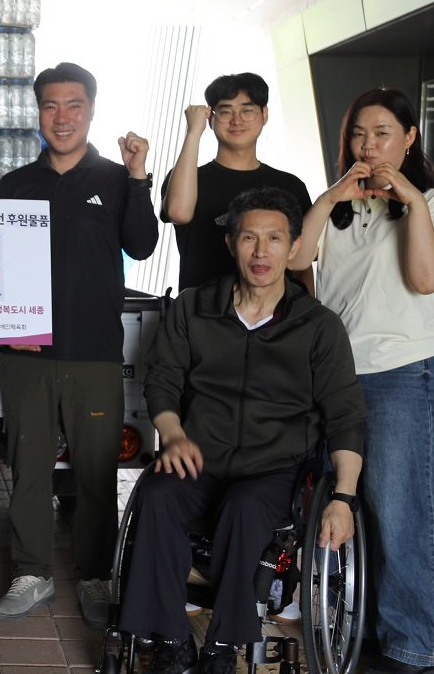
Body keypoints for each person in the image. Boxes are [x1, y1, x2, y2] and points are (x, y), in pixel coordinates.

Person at [126, 187, 365, 674]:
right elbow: (163, 379)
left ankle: (222, 646)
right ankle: (171, 639)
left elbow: (345, 416)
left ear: (294, 247)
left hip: (274, 470)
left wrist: (343, 497)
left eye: (274, 238)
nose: (261, 251)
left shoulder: (318, 327)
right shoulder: (193, 308)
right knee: (157, 494)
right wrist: (172, 432)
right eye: (249, 237)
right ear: (231, 244)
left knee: (245, 507)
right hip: (199, 457)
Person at [289, 88, 434, 674]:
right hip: (334, 374)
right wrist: (332, 195)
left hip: (399, 373)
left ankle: (414, 653)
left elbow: (425, 278)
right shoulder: (337, 207)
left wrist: (408, 196)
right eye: (359, 134)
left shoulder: (432, 202)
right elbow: (295, 259)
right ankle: (362, 636)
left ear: (409, 138)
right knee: (350, 506)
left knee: (404, 512)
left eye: (382, 134)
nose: (369, 146)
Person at [0, 62, 158, 628]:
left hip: (93, 353)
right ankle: (31, 573)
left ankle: (95, 575)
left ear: (91, 110)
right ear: (38, 112)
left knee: (96, 473)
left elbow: (142, 244)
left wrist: (138, 175)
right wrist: (4, 330)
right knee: (29, 468)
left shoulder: (115, 178)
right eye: (50, 106)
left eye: (74, 105)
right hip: (25, 354)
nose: (62, 118)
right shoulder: (15, 185)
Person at [161, 72, 313, 293]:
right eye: (225, 111)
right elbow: (178, 213)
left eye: (247, 110)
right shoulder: (187, 178)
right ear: (210, 119)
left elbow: (302, 263)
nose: (236, 120)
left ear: (264, 114)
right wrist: (193, 132)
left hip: (276, 312)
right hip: (202, 310)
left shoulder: (290, 185)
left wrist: (308, 308)